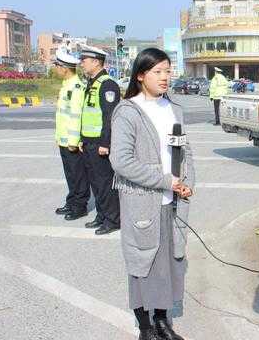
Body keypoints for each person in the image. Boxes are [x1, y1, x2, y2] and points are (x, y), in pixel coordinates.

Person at [110, 48, 194, 340]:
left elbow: (185, 153)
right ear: (141, 75)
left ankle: (162, 321)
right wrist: (164, 181)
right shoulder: (128, 112)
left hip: (172, 201)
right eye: (157, 72)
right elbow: (121, 162)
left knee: (169, 263)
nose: (165, 78)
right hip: (143, 201)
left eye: (168, 71)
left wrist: (186, 182)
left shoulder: (174, 109)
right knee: (142, 262)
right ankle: (145, 326)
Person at [79, 45, 121, 235]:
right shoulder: (92, 82)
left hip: (100, 143)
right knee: (95, 182)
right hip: (89, 141)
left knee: (105, 182)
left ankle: (113, 219)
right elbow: (88, 114)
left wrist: (106, 143)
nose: (81, 63)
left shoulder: (107, 84)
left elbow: (109, 116)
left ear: (96, 62)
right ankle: (102, 215)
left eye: (84, 60)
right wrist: (82, 138)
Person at [53, 48, 91, 221]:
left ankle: (79, 206)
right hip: (63, 139)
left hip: (71, 141)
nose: (55, 68)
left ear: (65, 68)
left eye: (57, 65)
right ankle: (72, 201)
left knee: (78, 175)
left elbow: (76, 116)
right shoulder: (66, 85)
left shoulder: (76, 87)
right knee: (70, 174)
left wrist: (74, 141)